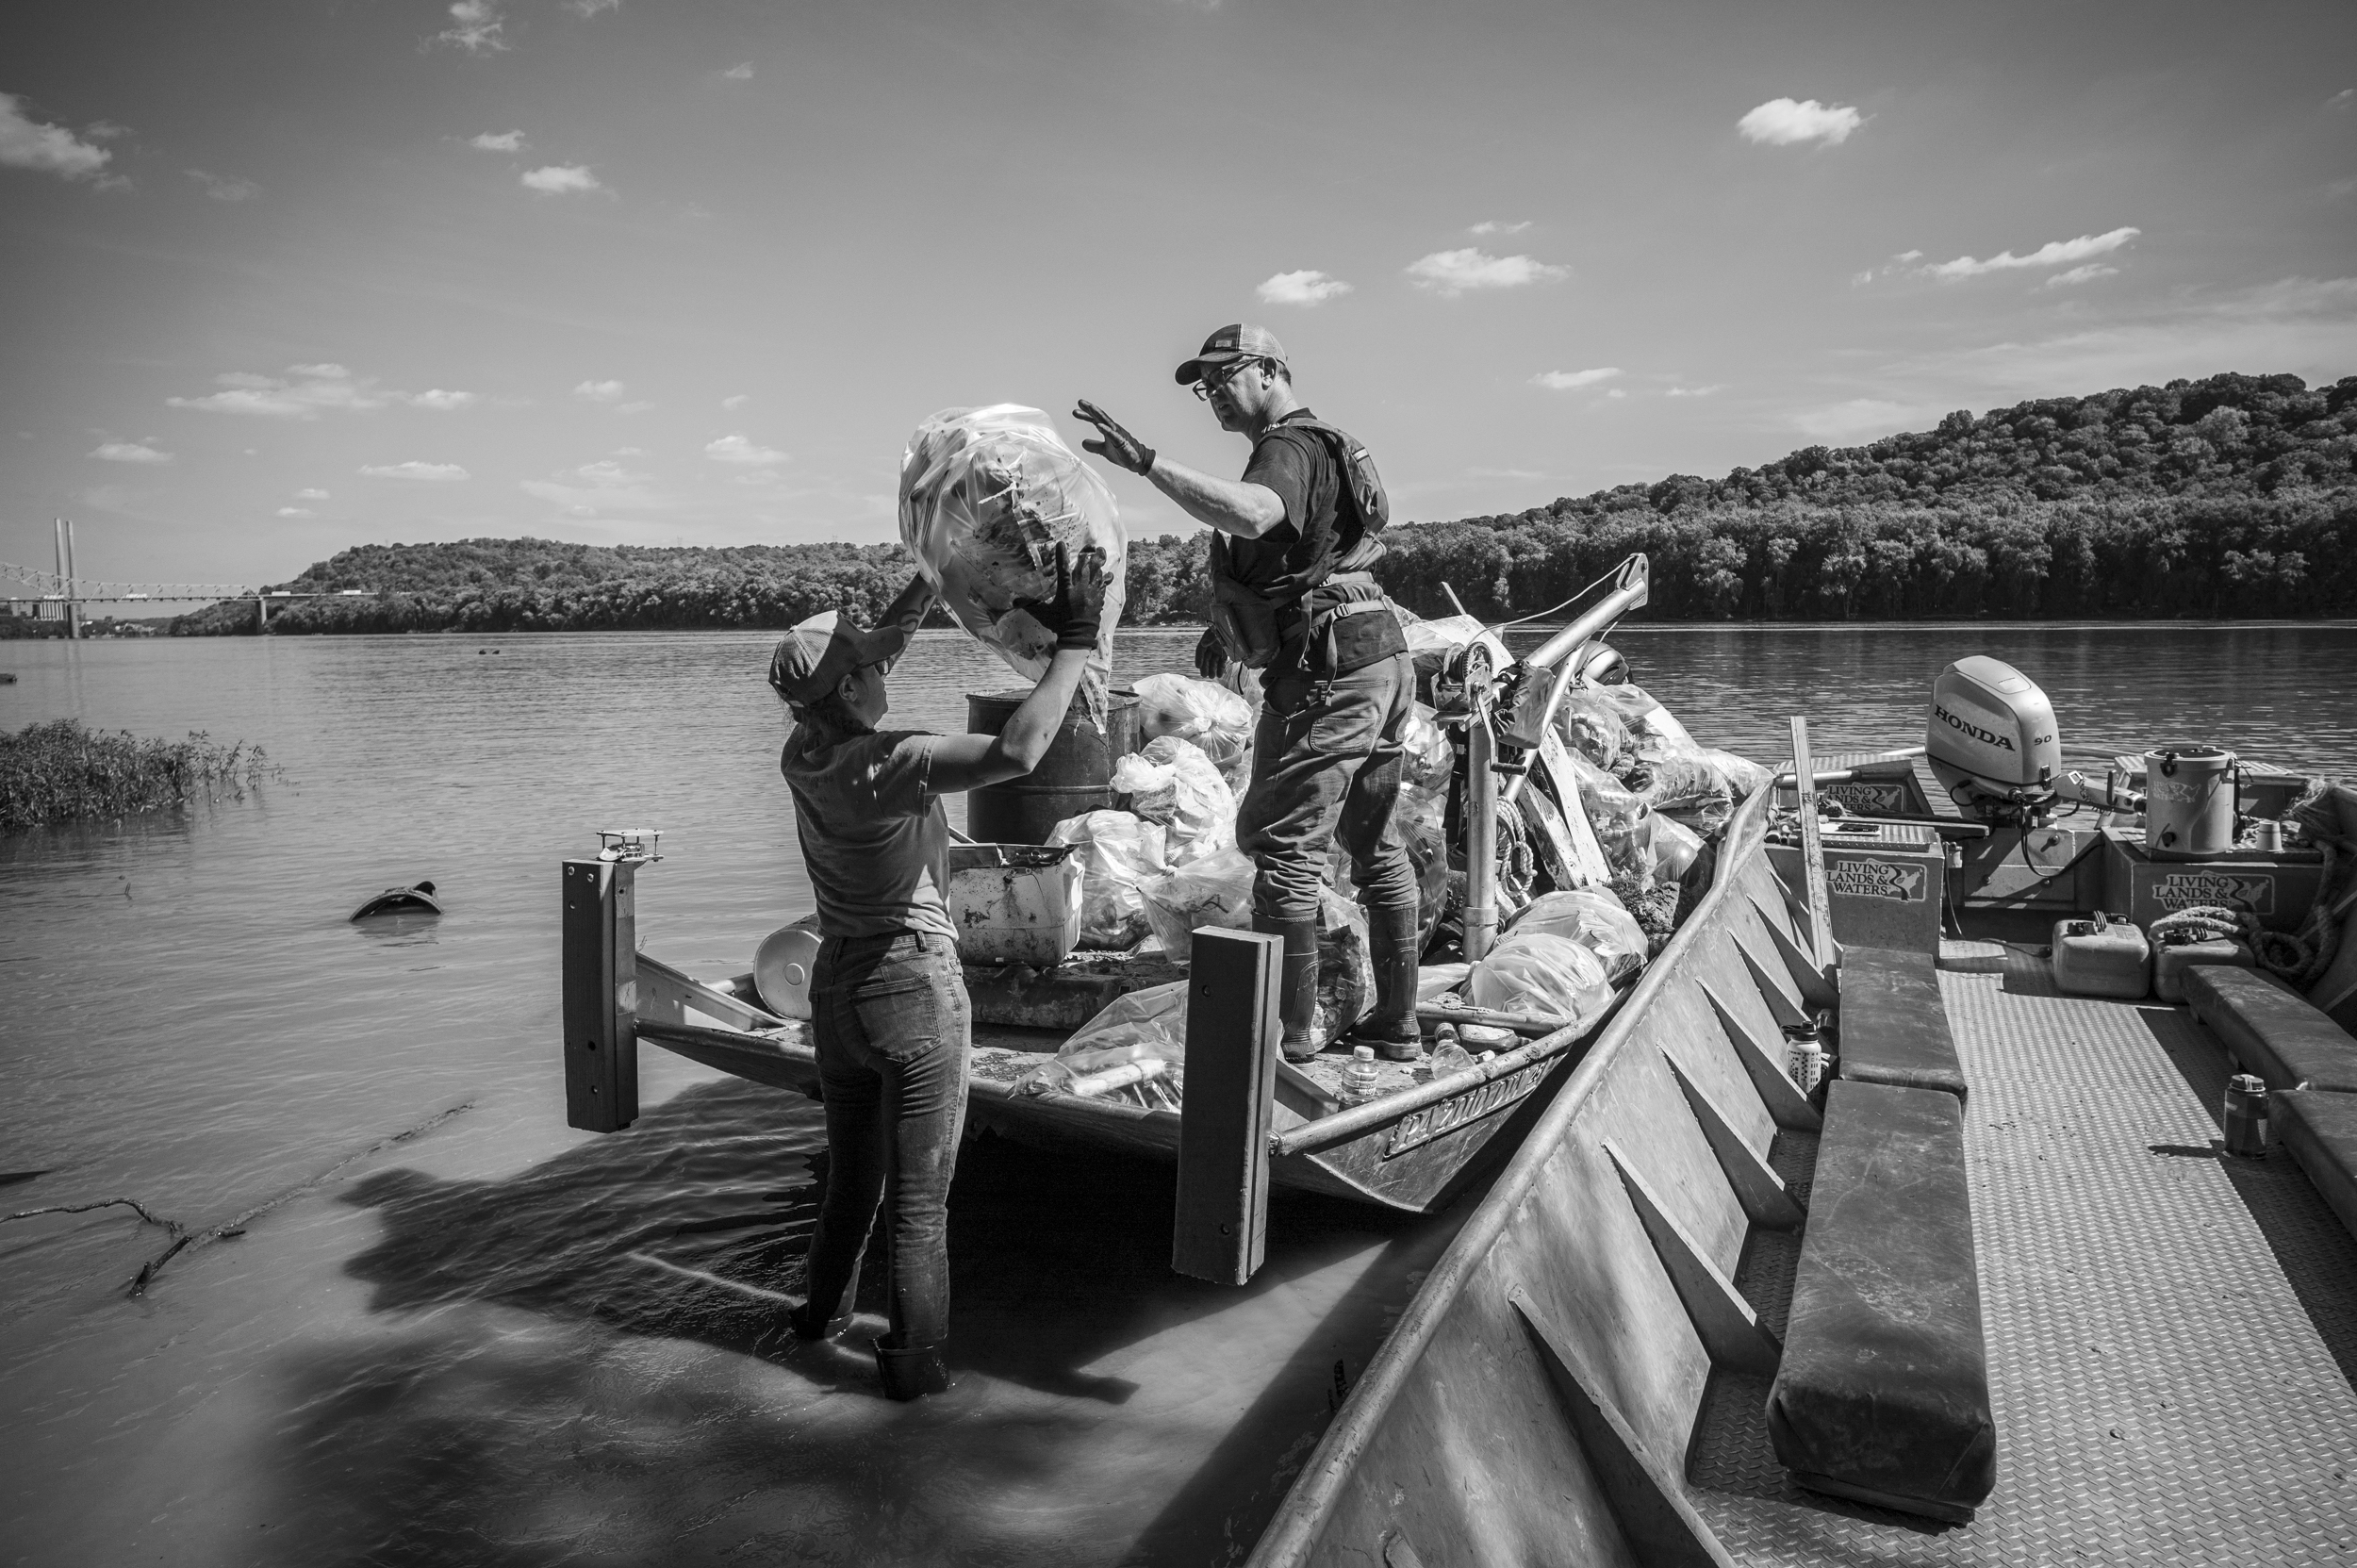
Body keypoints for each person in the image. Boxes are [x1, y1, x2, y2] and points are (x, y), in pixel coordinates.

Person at [768, 546, 1106, 1399]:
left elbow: (870, 654)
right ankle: (913, 1383)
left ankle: (813, 1330)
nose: (887, 668)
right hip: (910, 987)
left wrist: (932, 567)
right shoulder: (895, 760)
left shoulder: (803, 752)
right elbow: (1023, 749)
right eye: (872, 668)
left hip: (835, 993)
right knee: (921, 1205)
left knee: (853, 1187)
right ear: (850, 691)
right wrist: (1077, 639)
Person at [1073, 324, 1422, 1064]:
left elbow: (1257, 513)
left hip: (1331, 667)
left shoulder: (1287, 448)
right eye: (1203, 386)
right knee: (1373, 842)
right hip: (1379, 654)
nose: (1212, 396)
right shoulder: (1333, 445)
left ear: (1269, 371)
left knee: (1285, 853)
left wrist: (1145, 463)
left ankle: (1286, 1045)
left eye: (1222, 377)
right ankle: (1399, 1024)